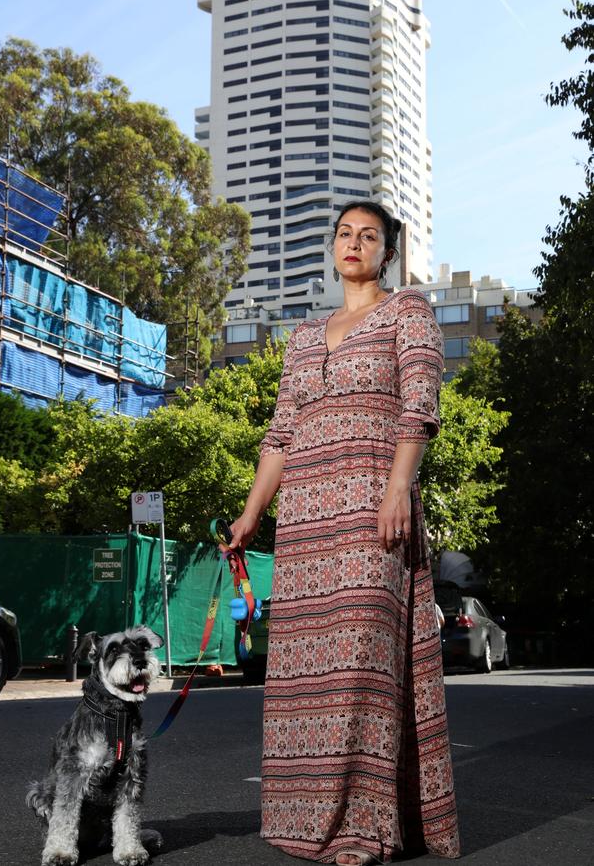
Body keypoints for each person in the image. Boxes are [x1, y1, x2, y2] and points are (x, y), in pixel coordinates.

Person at [223, 201, 460, 865]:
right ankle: (304, 818)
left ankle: (365, 825)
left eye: (370, 236)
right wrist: (250, 515)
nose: (354, 243)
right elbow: (280, 433)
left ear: (388, 253)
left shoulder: (408, 311)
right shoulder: (301, 336)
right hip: (304, 521)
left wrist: (395, 489)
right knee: (306, 671)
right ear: (333, 248)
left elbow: (420, 406)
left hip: (369, 508)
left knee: (361, 661)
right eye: (345, 234)